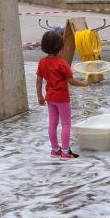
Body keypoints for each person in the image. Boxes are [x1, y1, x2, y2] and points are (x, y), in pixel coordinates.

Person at [36, 30, 90, 159]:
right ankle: (65, 152)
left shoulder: (42, 62)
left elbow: (38, 80)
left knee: (52, 123)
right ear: (60, 48)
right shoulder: (62, 64)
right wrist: (83, 83)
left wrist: (40, 96)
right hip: (62, 99)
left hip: (50, 98)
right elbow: (71, 81)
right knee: (66, 124)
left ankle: (55, 150)